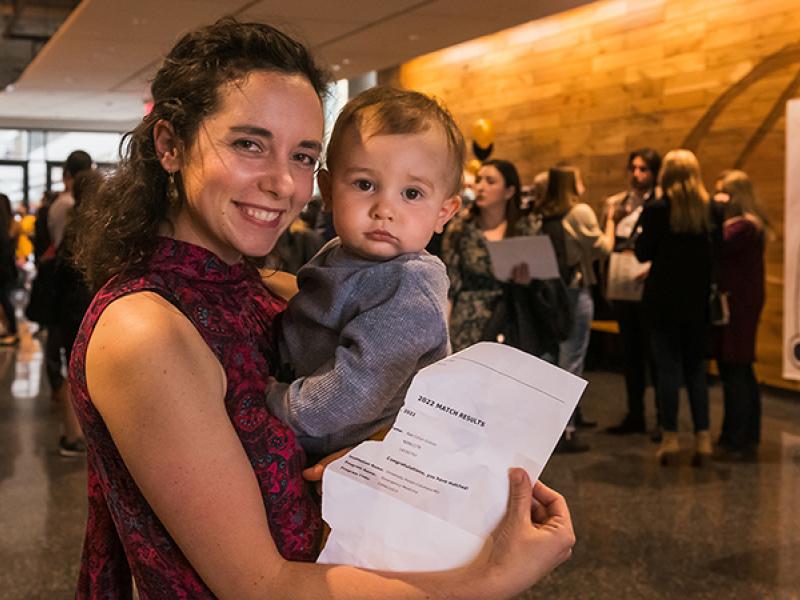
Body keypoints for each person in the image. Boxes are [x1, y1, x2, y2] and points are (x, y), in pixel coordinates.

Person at [68, 19, 574, 598]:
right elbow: (259, 585)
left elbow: (379, 390)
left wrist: (378, 455)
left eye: (304, 155)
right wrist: (492, 579)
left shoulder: (263, 288)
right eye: (249, 144)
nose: (285, 183)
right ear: (169, 145)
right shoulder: (147, 331)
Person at [265, 87, 462, 457]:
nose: (384, 209)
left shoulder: (409, 284)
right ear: (327, 190)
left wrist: (279, 402)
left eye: (412, 194)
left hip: (359, 462)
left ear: (444, 213)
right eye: (365, 185)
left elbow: (356, 388)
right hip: (319, 436)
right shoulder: (341, 252)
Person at [635, 149, 715, 466]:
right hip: (698, 303)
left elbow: (642, 252)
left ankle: (670, 438)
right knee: (696, 371)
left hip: (663, 301)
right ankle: (703, 439)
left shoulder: (657, 209)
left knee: (667, 369)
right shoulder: (711, 209)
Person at [536, 167, 614, 452]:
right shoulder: (579, 212)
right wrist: (611, 223)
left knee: (551, 359)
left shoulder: (543, 213)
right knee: (572, 359)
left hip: (549, 293)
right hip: (573, 290)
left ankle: (553, 425)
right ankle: (566, 429)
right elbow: (602, 248)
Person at [443, 159, 546, 354]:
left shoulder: (526, 228)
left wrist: (526, 281)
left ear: (509, 191)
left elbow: (543, 279)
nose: (481, 187)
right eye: (479, 180)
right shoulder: (461, 229)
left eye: (490, 182)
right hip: (469, 324)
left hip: (514, 320)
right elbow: (450, 284)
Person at [603, 149, 663, 438]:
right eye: (634, 169)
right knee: (631, 352)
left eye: (644, 169)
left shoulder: (661, 203)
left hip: (649, 284)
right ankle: (635, 414)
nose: (637, 175)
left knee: (655, 353)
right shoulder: (621, 203)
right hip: (622, 279)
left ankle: (663, 419)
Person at [711, 170, 767, 461]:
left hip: (737, 306)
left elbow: (716, 241)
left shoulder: (743, 227)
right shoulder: (747, 226)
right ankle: (745, 434)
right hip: (739, 303)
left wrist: (712, 208)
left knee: (735, 367)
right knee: (741, 369)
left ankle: (737, 437)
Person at [0, 193, 18, 345]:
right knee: (5, 298)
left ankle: (12, 329)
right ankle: (10, 328)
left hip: (3, 268)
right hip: (8, 267)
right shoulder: (12, 225)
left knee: (4, 299)